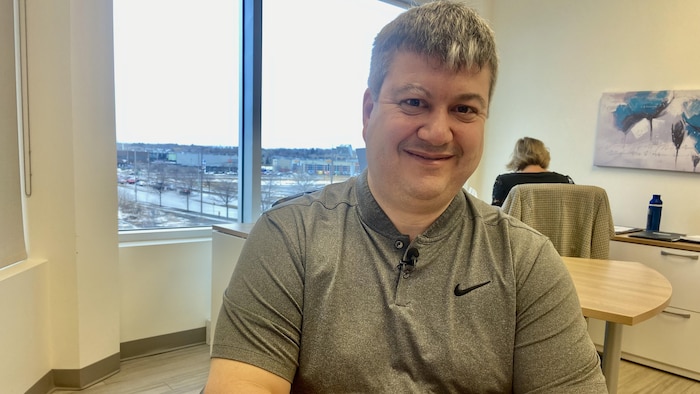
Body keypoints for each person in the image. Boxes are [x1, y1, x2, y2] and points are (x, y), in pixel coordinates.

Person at [204, 2, 606, 393]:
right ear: (368, 112)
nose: (437, 132)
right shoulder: (289, 237)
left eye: (464, 109)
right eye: (414, 102)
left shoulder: (527, 262)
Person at [491, 136, 575, 207]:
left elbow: (495, 221)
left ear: (517, 156)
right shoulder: (564, 182)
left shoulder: (503, 182)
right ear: (544, 154)